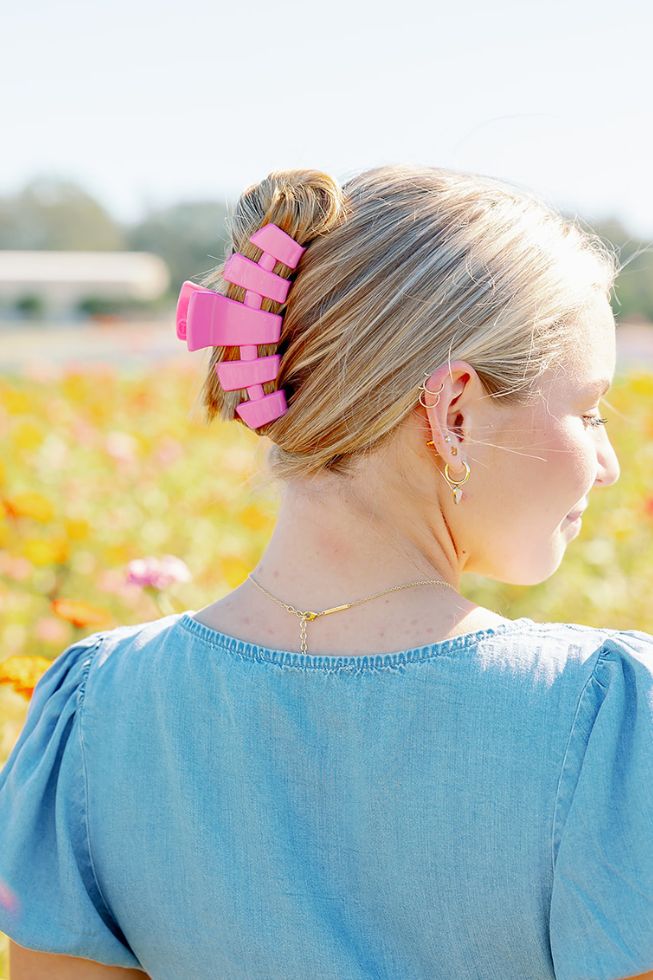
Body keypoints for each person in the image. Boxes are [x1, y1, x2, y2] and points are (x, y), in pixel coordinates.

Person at [1, 165, 652, 980]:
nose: (607, 463)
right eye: (587, 409)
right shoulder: (611, 721)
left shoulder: (92, 707)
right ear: (453, 414)